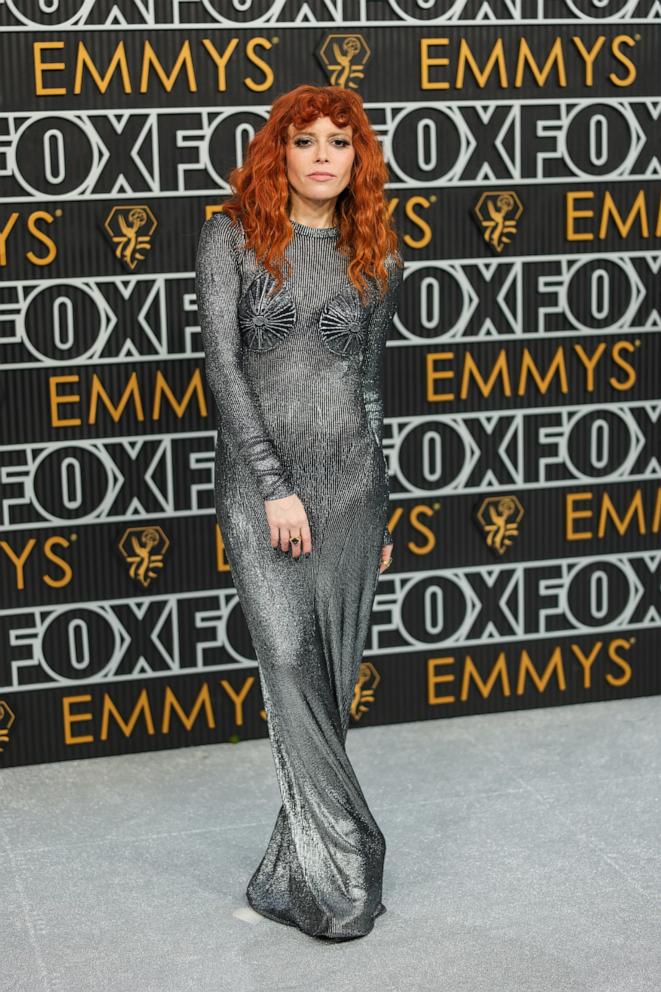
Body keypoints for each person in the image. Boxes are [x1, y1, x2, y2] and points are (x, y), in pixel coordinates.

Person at [195, 83, 404, 941]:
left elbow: (367, 388)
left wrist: (382, 509)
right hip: (262, 490)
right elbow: (223, 370)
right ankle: (355, 853)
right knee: (287, 663)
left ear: (358, 158)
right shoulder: (231, 236)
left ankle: (296, 875)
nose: (323, 154)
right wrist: (273, 485)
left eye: (339, 141)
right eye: (305, 139)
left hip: (352, 491)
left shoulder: (377, 256)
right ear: (277, 151)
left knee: (332, 684)